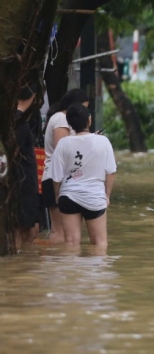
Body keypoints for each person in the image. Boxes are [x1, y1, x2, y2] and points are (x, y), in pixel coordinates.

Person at [47, 104, 116, 248]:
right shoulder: (103, 141)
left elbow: (56, 177)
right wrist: (107, 195)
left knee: (71, 243)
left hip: (68, 196)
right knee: (99, 243)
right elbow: (111, 172)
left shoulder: (63, 144)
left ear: (70, 123)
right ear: (89, 120)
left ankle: (72, 271)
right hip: (94, 197)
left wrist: (57, 195)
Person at [42, 87, 89, 243]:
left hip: (62, 179)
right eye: (84, 108)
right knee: (60, 232)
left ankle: (57, 264)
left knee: (64, 232)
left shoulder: (61, 118)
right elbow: (62, 150)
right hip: (56, 178)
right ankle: (53, 265)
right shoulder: (62, 119)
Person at [14, 84, 40, 246]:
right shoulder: (18, 122)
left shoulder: (19, 120)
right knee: (20, 229)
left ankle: (23, 262)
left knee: (32, 229)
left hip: (27, 183)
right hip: (21, 184)